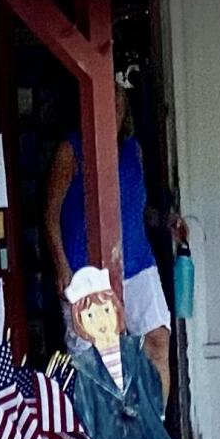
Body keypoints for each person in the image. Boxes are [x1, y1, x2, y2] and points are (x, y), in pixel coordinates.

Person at [45, 118, 172, 381]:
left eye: (119, 101)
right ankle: (103, 422)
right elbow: (50, 214)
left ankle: (153, 419)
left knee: (157, 341)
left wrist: (166, 221)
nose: (113, 109)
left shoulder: (132, 150)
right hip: (85, 267)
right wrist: (61, 265)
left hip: (137, 261)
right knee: (97, 357)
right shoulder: (70, 149)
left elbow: (134, 208)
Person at [63, 267, 182, 439]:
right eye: (90, 316)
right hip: (107, 438)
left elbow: (149, 382)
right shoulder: (85, 367)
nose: (101, 321)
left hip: (140, 429)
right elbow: (84, 403)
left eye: (107, 311)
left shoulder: (133, 352)